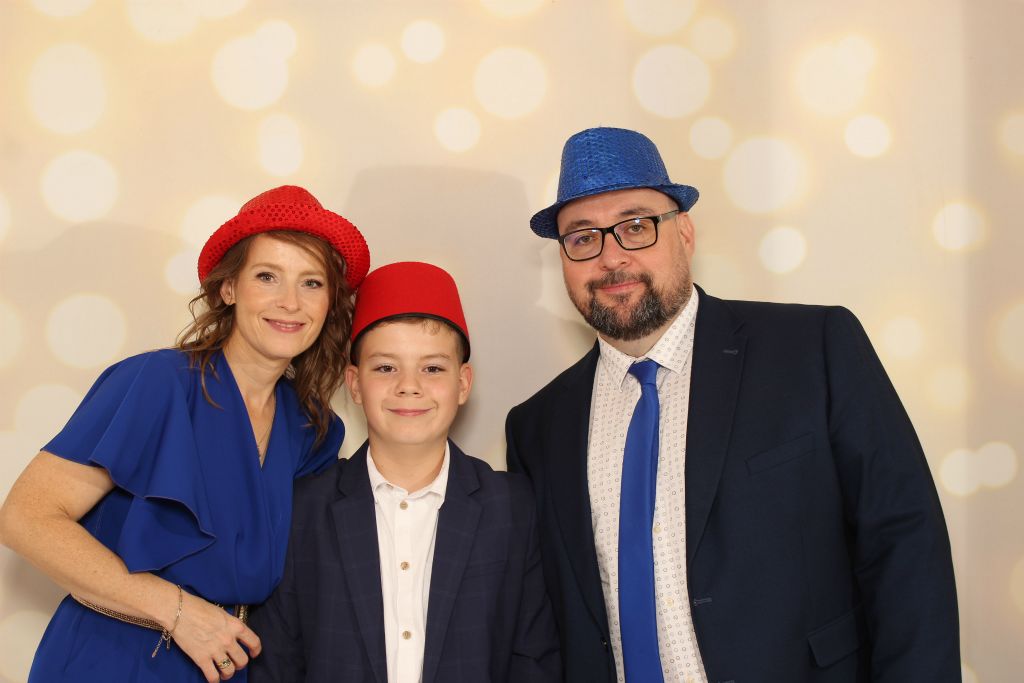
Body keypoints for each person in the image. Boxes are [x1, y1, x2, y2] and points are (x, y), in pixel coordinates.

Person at [505, 127, 960, 682]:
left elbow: (905, 545)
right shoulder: (537, 427)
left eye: (636, 226)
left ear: (685, 233)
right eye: (582, 238)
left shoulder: (813, 349)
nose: (612, 257)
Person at [0, 185, 370, 683]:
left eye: (312, 282)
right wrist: (177, 611)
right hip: (114, 659)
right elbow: (25, 518)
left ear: (330, 302)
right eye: (267, 276)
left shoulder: (314, 429)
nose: (290, 302)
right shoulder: (156, 382)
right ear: (229, 288)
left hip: (230, 664)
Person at [249, 261, 561, 682]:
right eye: (385, 368)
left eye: (432, 368)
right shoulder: (303, 510)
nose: (408, 386)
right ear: (354, 384)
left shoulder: (513, 507)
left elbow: (535, 660)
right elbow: (275, 665)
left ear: (463, 383)